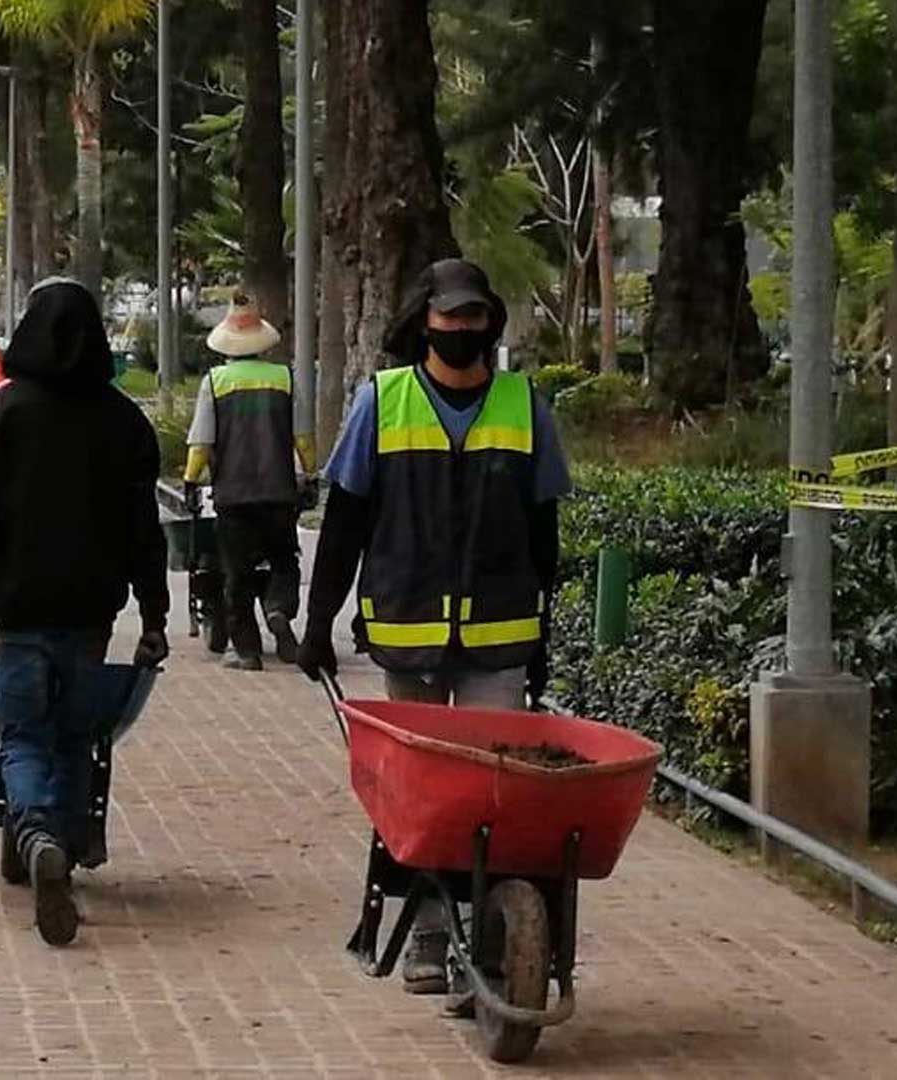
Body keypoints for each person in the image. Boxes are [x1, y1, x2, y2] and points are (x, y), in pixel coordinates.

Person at [297, 258, 571, 995]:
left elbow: (544, 532)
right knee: (422, 796)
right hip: (408, 630)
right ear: (424, 320)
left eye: (473, 317)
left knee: (493, 800)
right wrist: (318, 619)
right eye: (449, 318)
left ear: (490, 323)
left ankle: (485, 941)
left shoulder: (523, 404)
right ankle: (425, 934)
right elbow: (345, 521)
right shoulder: (380, 403)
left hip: (499, 636)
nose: (461, 330)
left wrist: (544, 632)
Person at [0, 277, 170, 948]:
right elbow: (144, 531)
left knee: (24, 735)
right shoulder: (124, 419)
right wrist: (154, 616)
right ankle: (57, 839)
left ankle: (34, 833)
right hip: (92, 612)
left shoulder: (1, 409)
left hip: (19, 609)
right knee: (72, 734)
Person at [182, 294, 318, 671]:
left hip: (233, 497)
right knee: (284, 560)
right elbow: (303, 438)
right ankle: (278, 609)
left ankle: (247, 651)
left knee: (237, 574)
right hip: (278, 494)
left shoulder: (216, 382)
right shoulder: (284, 379)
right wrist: (310, 474)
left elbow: (201, 443)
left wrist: (191, 480)